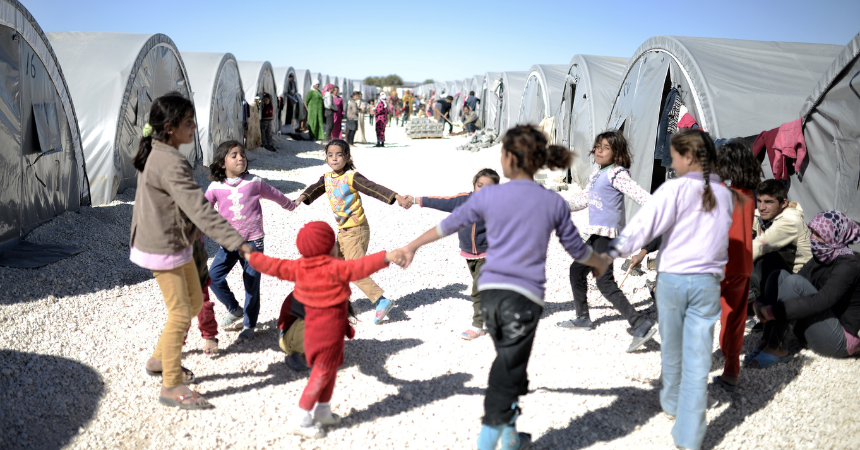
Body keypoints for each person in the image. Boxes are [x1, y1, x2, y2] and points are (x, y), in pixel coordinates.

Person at [396, 125, 612, 450]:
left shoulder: (490, 196)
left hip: (490, 296)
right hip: (521, 301)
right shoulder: (551, 201)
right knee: (506, 373)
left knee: (509, 364)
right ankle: (491, 438)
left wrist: (411, 246)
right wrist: (598, 264)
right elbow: (577, 250)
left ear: (509, 159)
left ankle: (511, 437)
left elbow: (447, 224)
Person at [606, 129, 733, 450]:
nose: (671, 161)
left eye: (675, 155)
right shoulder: (726, 194)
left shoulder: (672, 189)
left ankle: (672, 401)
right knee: (698, 355)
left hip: (673, 280)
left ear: (689, 157)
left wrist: (611, 251)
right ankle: (690, 435)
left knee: (673, 345)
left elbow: (642, 228)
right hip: (707, 283)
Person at [131, 93, 253, 410]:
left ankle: (160, 359)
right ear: (170, 128)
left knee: (195, 300)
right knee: (179, 312)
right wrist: (238, 241)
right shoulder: (169, 160)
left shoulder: (161, 151)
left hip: (177, 240)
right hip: (164, 246)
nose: (194, 127)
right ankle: (171, 385)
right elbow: (199, 210)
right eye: (188, 122)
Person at [248, 221, 406, 438]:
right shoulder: (336, 267)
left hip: (317, 335)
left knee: (329, 373)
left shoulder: (297, 268)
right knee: (320, 375)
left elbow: (272, 265)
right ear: (330, 247)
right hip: (326, 336)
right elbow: (362, 266)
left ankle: (322, 411)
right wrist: (387, 257)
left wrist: (251, 256)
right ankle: (301, 418)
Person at [556, 130, 656, 353]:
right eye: (598, 146)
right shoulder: (597, 173)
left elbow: (640, 196)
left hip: (607, 237)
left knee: (604, 282)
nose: (600, 151)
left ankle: (639, 323)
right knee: (576, 271)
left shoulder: (617, 174)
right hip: (595, 235)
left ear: (617, 153)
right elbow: (584, 200)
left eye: (606, 148)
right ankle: (582, 318)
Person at [294, 139, 411, 324]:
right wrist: (301, 198)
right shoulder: (327, 178)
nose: (334, 159)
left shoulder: (351, 177)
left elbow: (373, 188)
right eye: (330, 155)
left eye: (339, 155)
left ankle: (381, 301)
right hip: (343, 232)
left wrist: (396, 196)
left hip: (356, 230)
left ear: (347, 157)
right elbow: (315, 189)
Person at [205, 140, 296, 343]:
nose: (240, 158)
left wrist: (290, 205)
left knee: (251, 284)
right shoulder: (215, 187)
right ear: (222, 163)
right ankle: (234, 309)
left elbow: (276, 195)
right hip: (229, 244)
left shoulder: (255, 182)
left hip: (254, 242)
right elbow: (202, 213)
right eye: (234, 155)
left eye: (242, 154)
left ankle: (249, 325)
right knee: (213, 277)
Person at [749, 211, 860, 366]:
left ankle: (778, 348)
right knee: (779, 275)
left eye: (819, 235)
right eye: (812, 232)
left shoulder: (849, 264)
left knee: (794, 282)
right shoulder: (823, 255)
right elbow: (796, 279)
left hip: (839, 338)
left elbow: (822, 301)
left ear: (835, 238)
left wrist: (772, 311)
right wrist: (759, 303)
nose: (812, 238)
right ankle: (768, 340)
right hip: (818, 329)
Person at [403, 168, 501, 341]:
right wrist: (416, 200)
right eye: (480, 185)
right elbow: (442, 202)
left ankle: (478, 326)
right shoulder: (462, 200)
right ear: (474, 185)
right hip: (470, 255)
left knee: (479, 290)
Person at [711, 141, 760, 392]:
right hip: (742, 264)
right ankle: (731, 371)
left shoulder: (719, 192)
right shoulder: (750, 195)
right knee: (735, 318)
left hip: (715, 263)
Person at [750, 179, 812, 297]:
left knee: (764, 255)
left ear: (783, 203)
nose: (762, 207)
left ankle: (767, 305)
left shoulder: (790, 221)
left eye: (768, 202)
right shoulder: (762, 214)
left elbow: (761, 245)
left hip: (796, 282)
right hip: (777, 276)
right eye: (759, 201)